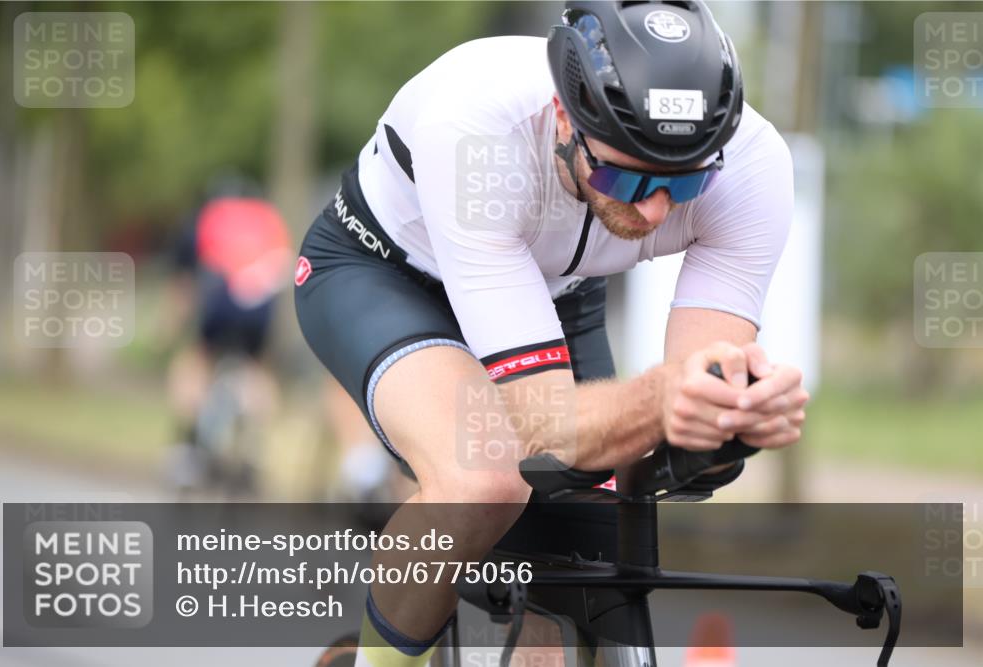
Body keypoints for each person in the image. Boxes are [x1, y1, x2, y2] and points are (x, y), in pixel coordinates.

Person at [294, 2, 808, 666]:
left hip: (549, 290)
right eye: (626, 175)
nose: (654, 210)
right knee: (485, 480)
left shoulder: (753, 168)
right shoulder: (478, 126)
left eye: (683, 181)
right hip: (384, 275)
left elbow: (690, 394)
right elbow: (545, 425)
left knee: (593, 539)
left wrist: (733, 412)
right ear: (566, 116)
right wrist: (666, 399)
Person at [163, 177, 293, 492]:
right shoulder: (270, 219)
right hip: (261, 307)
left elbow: (184, 286)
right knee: (257, 369)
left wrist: (167, 332)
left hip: (220, 300)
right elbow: (283, 273)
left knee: (196, 360)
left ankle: (188, 446)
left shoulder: (205, 218)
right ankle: (253, 450)